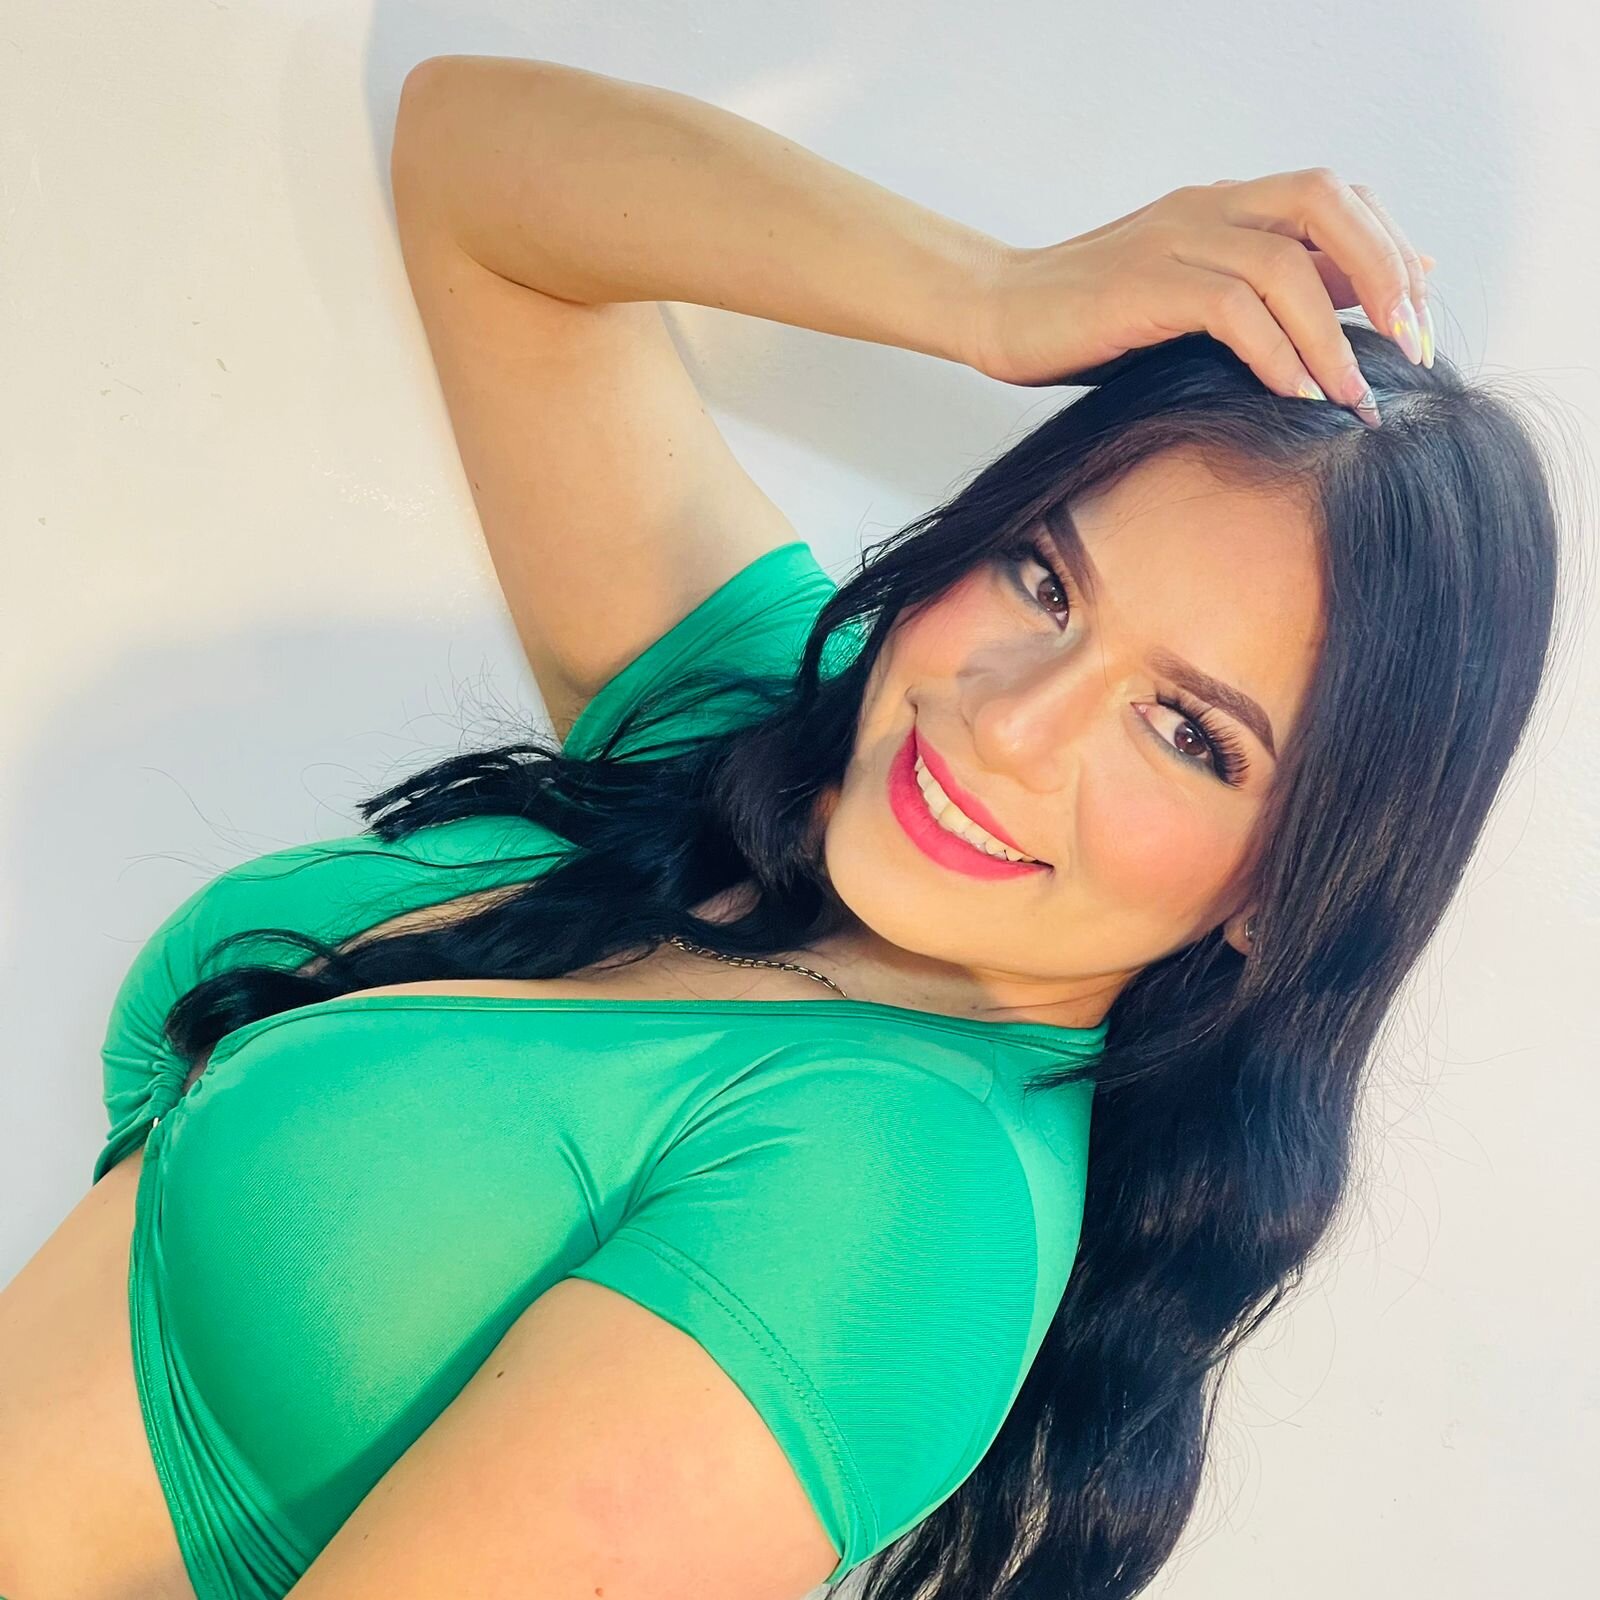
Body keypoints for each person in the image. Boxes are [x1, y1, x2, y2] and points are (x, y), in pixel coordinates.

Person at [3, 55, 1563, 1600]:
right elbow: (473, 169)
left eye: (1186, 732)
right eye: (1044, 578)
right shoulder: (769, 754)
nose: (1008, 722)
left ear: (1285, 893)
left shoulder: (903, 1207)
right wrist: (1001, 297)